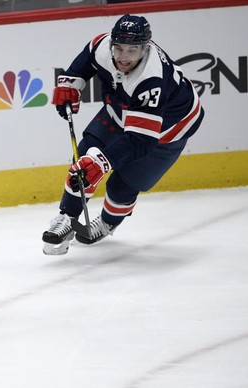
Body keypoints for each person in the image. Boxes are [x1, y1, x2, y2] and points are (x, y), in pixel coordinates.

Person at [42, 14, 204, 255]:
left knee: (122, 184)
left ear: (145, 48)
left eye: (132, 50)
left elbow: (141, 140)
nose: (123, 57)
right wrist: (69, 85)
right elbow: (82, 66)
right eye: (118, 47)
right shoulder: (102, 46)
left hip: (165, 130)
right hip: (120, 109)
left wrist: (104, 162)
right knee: (85, 158)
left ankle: (108, 222)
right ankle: (67, 217)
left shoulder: (153, 79)